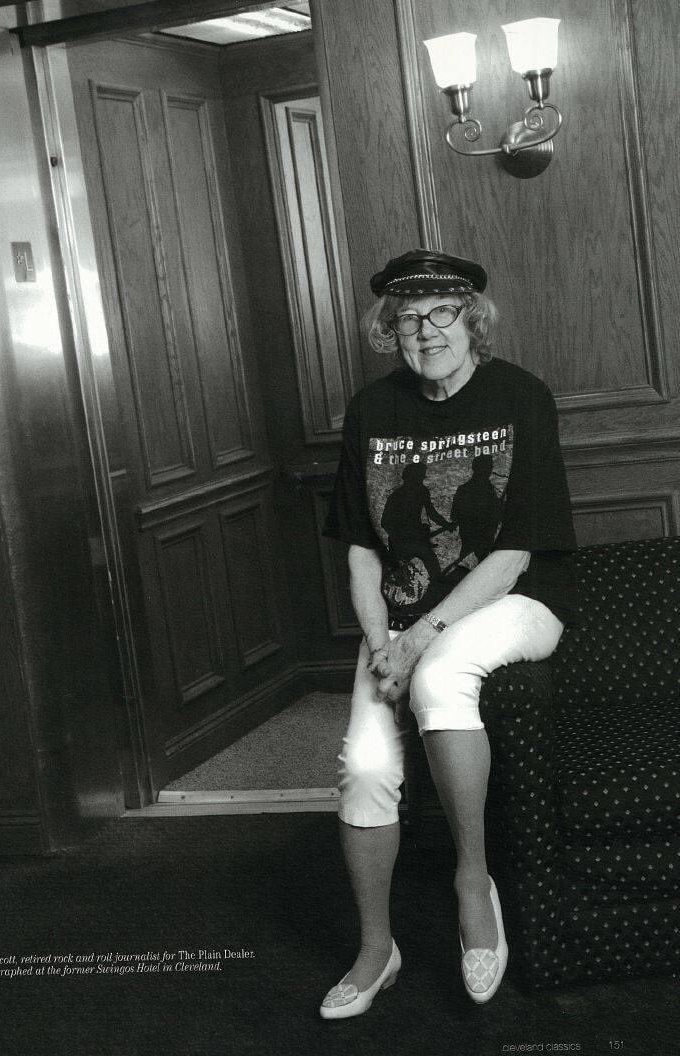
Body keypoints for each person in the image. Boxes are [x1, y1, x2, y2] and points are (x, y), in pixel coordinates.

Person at [319, 248, 578, 1017]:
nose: (426, 331)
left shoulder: (520, 396)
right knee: (364, 767)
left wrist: (417, 639)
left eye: (442, 314)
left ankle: (472, 879)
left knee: (439, 675)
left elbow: (514, 551)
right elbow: (360, 548)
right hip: (397, 619)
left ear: (471, 321)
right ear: (388, 329)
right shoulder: (372, 410)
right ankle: (377, 948)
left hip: (513, 600)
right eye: (408, 318)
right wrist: (379, 643)